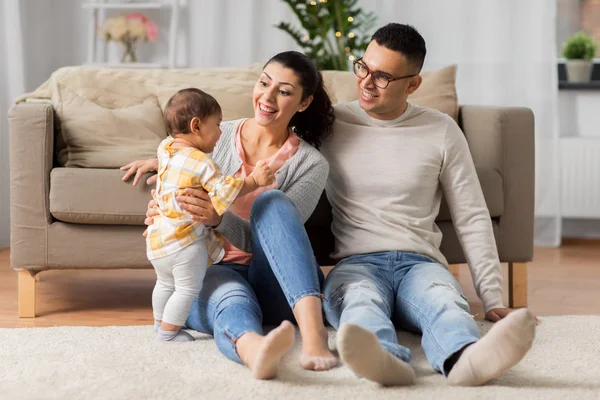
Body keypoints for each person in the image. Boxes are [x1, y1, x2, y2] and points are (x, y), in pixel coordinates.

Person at [320, 23, 537, 387]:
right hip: (355, 264)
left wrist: (493, 297)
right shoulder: (330, 124)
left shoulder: (440, 130)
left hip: (419, 263)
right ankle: (385, 361)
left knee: (445, 304)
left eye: (383, 76)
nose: (366, 82)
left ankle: (465, 359)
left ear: (413, 84)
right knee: (358, 305)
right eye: (363, 67)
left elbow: (470, 214)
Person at [121, 51, 337, 378]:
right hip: (215, 270)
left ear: (303, 103)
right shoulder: (211, 136)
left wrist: (217, 218)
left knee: (273, 203)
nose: (267, 96)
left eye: (284, 91)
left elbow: (273, 239)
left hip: (278, 282)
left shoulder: (311, 164)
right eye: (264, 83)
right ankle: (253, 351)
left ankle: (313, 335)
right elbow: (177, 182)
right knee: (229, 299)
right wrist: (163, 209)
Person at [147, 88, 275, 343]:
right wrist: (254, 180)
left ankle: (158, 323)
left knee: (164, 283)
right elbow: (225, 190)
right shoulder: (202, 162)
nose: (220, 132)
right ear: (196, 126)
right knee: (186, 288)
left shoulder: (165, 148)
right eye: (217, 125)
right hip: (185, 243)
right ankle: (169, 333)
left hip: (157, 240)